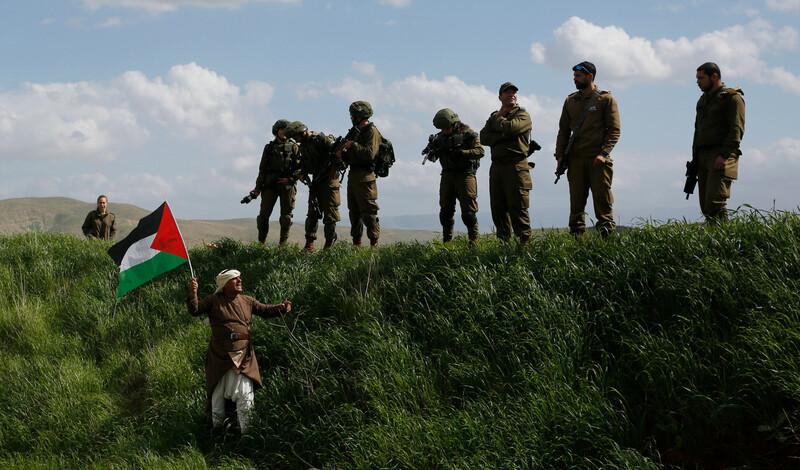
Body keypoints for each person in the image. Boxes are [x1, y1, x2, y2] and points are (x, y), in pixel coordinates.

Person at [187, 269, 291, 433]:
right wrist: (193, 293)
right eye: (235, 279)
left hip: (243, 354)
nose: (240, 281)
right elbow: (195, 310)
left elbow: (264, 310)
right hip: (219, 355)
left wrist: (281, 307)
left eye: (240, 279)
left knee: (245, 394)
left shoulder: (247, 301)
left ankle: (247, 434)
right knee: (217, 395)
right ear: (225, 284)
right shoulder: (214, 300)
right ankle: (217, 433)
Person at [554, 61, 621, 238]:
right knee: (576, 206)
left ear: (590, 76)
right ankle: (578, 247)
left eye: (578, 76)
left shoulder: (606, 99)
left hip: (597, 160)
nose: (574, 79)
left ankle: (607, 247)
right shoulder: (570, 101)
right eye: (574, 76)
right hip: (575, 160)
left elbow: (614, 130)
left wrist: (604, 153)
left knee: (603, 204)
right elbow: (563, 131)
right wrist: (560, 155)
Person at [479, 82, 533, 246]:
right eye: (507, 92)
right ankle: (503, 248)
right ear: (500, 96)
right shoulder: (494, 116)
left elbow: (511, 128)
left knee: (518, 207)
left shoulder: (523, 115)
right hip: (497, 168)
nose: (512, 94)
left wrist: (500, 124)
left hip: (516, 167)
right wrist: (501, 136)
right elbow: (483, 137)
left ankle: (525, 247)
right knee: (498, 209)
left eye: (514, 92)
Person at [692, 62, 745, 222]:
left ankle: (724, 242)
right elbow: (698, 131)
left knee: (715, 202)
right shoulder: (703, 100)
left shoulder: (732, 98)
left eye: (701, 77)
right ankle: (713, 242)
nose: (698, 81)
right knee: (706, 206)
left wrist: (724, 154)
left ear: (714, 76)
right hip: (703, 155)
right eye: (697, 78)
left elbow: (737, 129)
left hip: (720, 154)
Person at [425, 108, 485, 245]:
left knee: (468, 214)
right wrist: (432, 151)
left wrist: (462, 153)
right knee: (445, 214)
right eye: (442, 129)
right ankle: (447, 243)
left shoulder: (468, 134)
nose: (444, 131)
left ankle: (473, 243)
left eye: (446, 128)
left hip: (465, 175)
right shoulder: (440, 138)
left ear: (454, 124)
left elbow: (480, 151)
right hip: (447, 175)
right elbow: (432, 158)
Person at [284, 120, 342, 252]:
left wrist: (333, 170)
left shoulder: (322, 140)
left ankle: (329, 246)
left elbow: (340, 155)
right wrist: (303, 174)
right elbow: (304, 161)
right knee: (312, 213)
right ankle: (309, 245)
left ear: (302, 132)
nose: (296, 140)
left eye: (296, 137)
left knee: (330, 214)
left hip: (329, 180)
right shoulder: (304, 145)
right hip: (316, 180)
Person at [337, 101, 381, 247]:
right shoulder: (355, 132)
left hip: (365, 177)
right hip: (354, 175)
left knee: (368, 213)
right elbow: (350, 157)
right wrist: (342, 154)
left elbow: (369, 154)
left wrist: (353, 145)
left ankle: (374, 244)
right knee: (354, 213)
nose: (351, 118)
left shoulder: (372, 132)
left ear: (360, 116)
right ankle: (357, 245)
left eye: (353, 115)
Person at [250, 119, 301, 247]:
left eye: (286, 129)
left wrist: (290, 180)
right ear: (276, 131)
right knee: (263, 216)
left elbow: (300, 168)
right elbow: (262, 169)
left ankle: (282, 246)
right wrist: (257, 188)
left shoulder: (295, 147)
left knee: (286, 217)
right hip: (270, 185)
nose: (284, 132)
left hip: (287, 185)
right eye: (281, 129)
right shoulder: (269, 148)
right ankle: (261, 245)